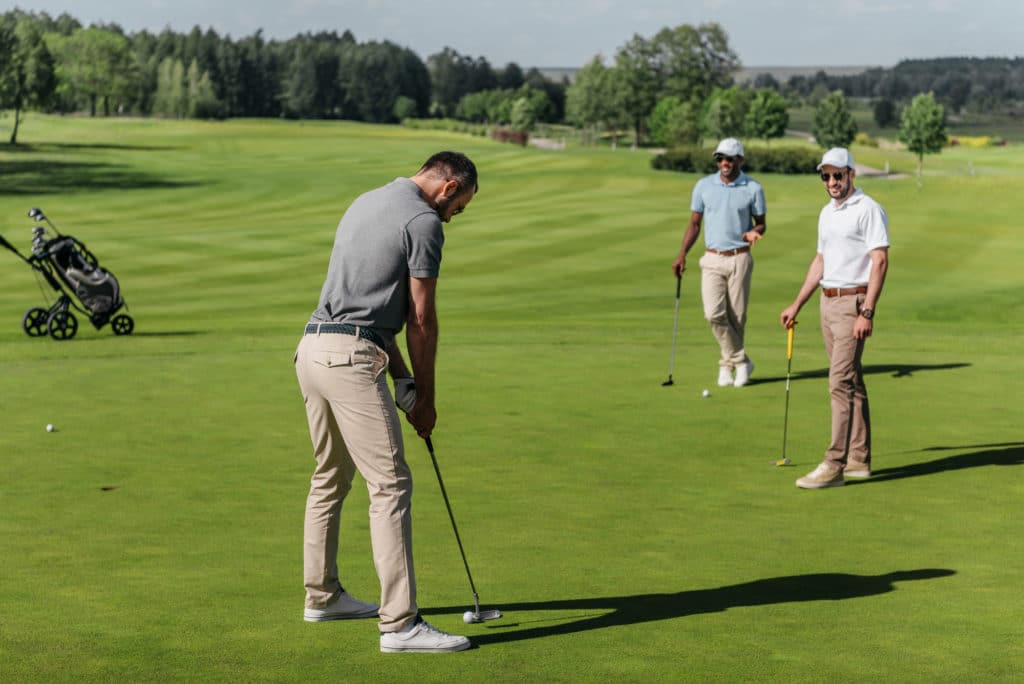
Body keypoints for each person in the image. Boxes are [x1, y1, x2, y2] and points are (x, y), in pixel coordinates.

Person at [294, 151, 478, 652]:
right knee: (391, 485)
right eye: (458, 207)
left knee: (329, 477)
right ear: (448, 187)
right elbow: (420, 320)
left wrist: (403, 381)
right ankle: (400, 625)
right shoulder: (423, 221)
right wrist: (427, 399)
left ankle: (322, 597)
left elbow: (370, 311)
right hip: (351, 359)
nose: (452, 217)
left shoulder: (367, 201)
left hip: (312, 349)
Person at [780, 148, 889, 489]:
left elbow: (880, 261)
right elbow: (820, 261)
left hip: (853, 303)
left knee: (839, 383)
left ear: (851, 174)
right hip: (827, 303)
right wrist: (797, 304)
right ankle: (858, 459)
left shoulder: (868, 209)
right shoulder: (826, 213)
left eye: (837, 175)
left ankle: (833, 465)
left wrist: (867, 311)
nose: (832, 182)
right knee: (852, 380)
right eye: (825, 176)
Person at [671, 138, 767, 388]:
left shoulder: (753, 188)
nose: (724, 163)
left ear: (740, 160)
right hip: (712, 258)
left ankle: (726, 366)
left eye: (729, 159)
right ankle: (741, 361)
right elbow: (694, 224)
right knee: (713, 313)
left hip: (740, 257)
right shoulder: (703, 186)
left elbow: (761, 223)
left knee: (737, 317)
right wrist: (682, 254)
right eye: (720, 158)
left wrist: (754, 232)